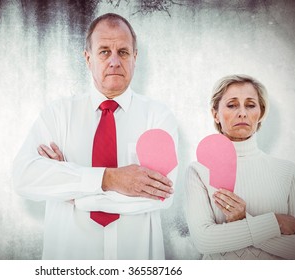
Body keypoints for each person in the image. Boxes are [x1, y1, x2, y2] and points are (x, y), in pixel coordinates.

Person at [12, 13, 178, 259]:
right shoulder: (57, 114)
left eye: (123, 52)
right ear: (88, 59)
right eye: (104, 52)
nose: (114, 61)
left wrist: (72, 191)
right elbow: (25, 177)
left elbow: (160, 197)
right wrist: (109, 179)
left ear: (135, 57)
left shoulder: (158, 117)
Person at [184, 74, 295, 259]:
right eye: (232, 105)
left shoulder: (287, 172)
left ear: (261, 112)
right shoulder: (198, 171)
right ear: (215, 113)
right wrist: (274, 223)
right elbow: (205, 241)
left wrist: (244, 220)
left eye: (250, 105)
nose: (242, 113)